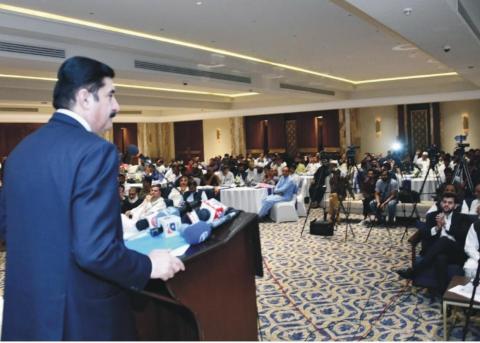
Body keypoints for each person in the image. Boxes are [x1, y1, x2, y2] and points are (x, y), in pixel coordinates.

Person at [0, 56, 184, 340]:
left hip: (28, 316)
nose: (116, 106)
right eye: (110, 95)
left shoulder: (20, 153)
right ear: (85, 98)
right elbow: (94, 250)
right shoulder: (95, 152)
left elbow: (9, 228)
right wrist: (149, 265)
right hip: (82, 321)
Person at [396, 192, 471, 294]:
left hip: (456, 253)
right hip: (436, 253)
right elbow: (424, 233)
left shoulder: (461, 218)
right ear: (440, 203)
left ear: (455, 205)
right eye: (444, 202)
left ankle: (414, 271)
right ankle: (443, 293)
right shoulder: (432, 216)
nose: (446, 204)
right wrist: (437, 228)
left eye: (450, 203)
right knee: (441, 257)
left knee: (444, 240)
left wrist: (446, 226)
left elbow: (463, 235)